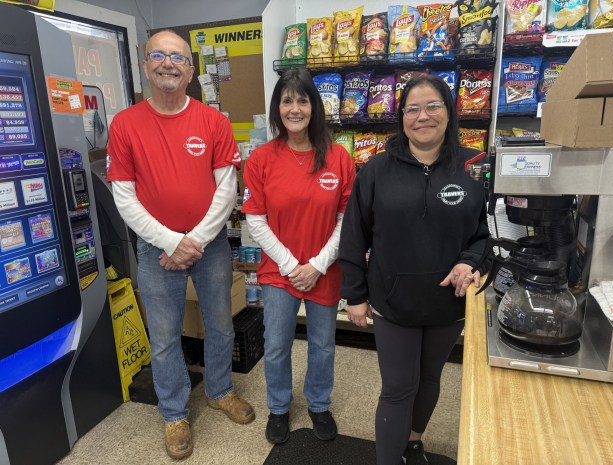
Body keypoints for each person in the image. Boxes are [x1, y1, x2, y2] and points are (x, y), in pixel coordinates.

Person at [106, 30, 254, 460]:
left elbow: (227, 189)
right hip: (156, 250)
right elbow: (124, 196)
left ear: (191, 70)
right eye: (159, 55)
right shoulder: (125, 123)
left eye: (178, 57)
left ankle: (220, 390)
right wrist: (172, 241)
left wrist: (195, 241)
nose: (168, 63)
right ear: (146, 65)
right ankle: (173, 413)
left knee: (221, 324)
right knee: (166, 336)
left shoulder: (213, 122)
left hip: (210, 246)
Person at [338, 75, 490, 465]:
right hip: (393, 301)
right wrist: (354, 295)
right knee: (398, 388)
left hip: (448, 303)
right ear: (401, 117)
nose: (423, 116)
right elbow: (354, 233)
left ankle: (414, 440)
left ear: (449, 111)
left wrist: (470, 262)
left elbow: (486, 235)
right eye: (412, 109)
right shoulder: (375, 170)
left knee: (430, 380)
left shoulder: (474, 165)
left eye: (433, 106)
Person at [241, 68, 356, 445]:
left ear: (314, 106)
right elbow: (256, 221)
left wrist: (318, 264)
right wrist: (292, 266)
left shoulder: (339, 159)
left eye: (302, 100)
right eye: (287, 100)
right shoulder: (261, 159)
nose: (295, 108)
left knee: (323, 344)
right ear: (277, 107)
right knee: (276, 344)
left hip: (324, 270)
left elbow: (345, 221)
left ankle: (319, 405)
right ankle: (278, 408)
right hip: (279, 272)